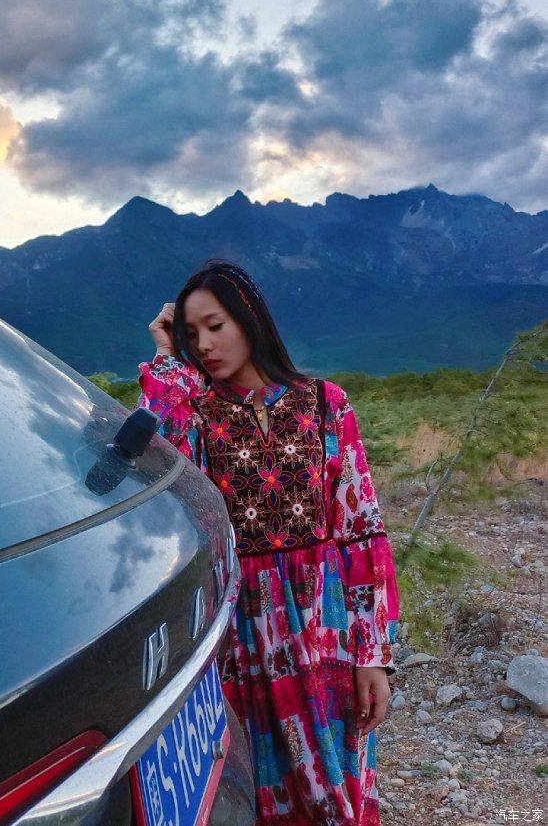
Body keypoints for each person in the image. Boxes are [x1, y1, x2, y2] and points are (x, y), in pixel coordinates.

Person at [136, 259, 400, 826]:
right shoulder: (198, 417)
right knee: (258, 794)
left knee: (335, 791)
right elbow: (150, 461)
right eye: (190, 335)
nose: (203, 345)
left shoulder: (327, 404)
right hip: (242, 638)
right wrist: (166, 360)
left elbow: (362, 531)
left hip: (325, 627)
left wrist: (373, 652)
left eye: (215, 326)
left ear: (250, 317)